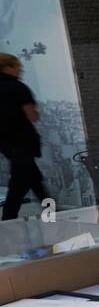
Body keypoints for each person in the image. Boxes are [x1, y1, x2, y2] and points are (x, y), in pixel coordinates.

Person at [0, 53, 49, 221]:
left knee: (34, 181)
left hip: (6, 143)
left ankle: (52, 214)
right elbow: (33, 116)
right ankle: (7, 222)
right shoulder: (18, 88)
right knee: (19, 186)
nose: (20, 69)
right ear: (7, 67)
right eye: (17, 66)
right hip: (23, 141)